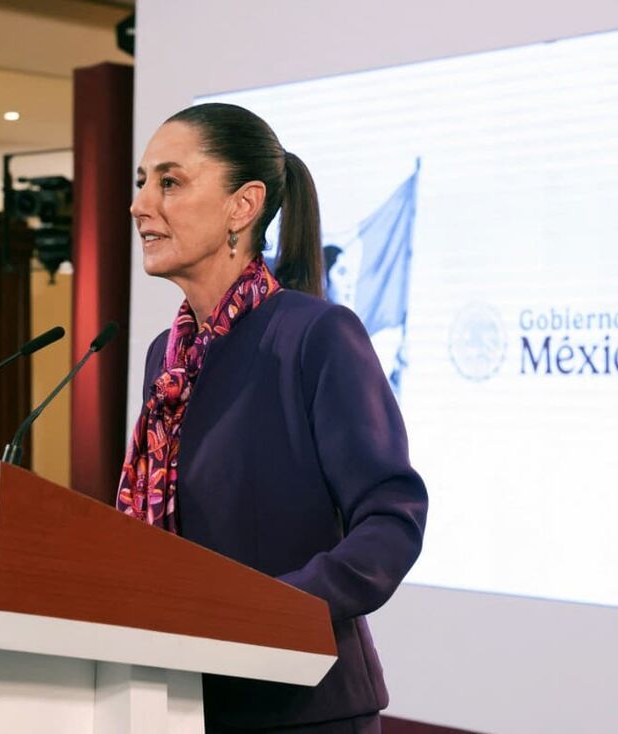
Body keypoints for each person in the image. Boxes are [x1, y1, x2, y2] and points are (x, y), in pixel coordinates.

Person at [116, 102, 428, 734]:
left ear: (243, 205)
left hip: (299, 711)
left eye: (169, 182)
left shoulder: (318, 335)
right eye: (142, 181)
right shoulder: (165, 356)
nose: (141, 204)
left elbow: (391, 519)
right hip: (176, 702)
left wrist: (273, 610)